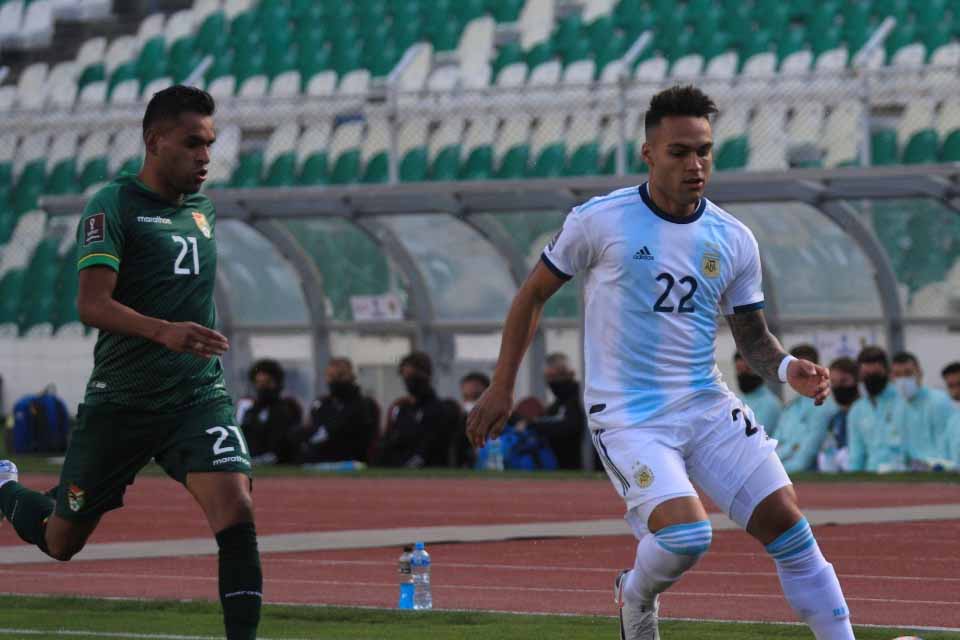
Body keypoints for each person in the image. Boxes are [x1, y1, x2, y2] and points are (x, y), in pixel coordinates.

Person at [466, 85, 853, 639]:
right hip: (630, 415)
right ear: (649, 154)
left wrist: (789, 367)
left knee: (791, 530)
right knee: (686, 537)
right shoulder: (600, 221)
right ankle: (635, 594)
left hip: (706, 404)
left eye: (705, 151)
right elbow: (532, 295)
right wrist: (502, 385)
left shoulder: (734, 238)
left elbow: (752, 337)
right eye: (680, 152)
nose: (696, 164)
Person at [0, 86, 261, 640]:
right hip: (122, 401)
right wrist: (163, 330)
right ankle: (5, 487)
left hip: (196, 396)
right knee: (61, 541)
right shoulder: (112, 205)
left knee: (236, 509)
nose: (205, 157)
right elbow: (91, 304)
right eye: (192, 143)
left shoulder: (203, 210)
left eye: (210, 144)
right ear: (155, 141)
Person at [375, 351, 461, 468]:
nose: (409, 381)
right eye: (406, 377)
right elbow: (389, 442)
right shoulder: (401, 409)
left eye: (414, 376)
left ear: (427, 375)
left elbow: (432, 446)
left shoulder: (441, 409)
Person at [303, 357, 380, 464]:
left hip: (353, 461)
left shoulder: (365, 405)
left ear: (351, 376)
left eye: (340, 375)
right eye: (331, 376)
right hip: (319, 461)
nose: (335, 380)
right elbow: (311, 431)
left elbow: (359, 437)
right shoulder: (320, 404)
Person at [774, 345, 836, 473]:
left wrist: (775, 472)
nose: (800, 375)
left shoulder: (823, 406)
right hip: (782, 472)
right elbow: (774, 446)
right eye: (797, 370)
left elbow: (805, 459)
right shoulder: (790, 408)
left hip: (809, 477)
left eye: (805, 369)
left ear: (816, 369)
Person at [519, 353, 587, 470]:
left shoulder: (580, 397)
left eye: (559, 375)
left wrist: (533, 424)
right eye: (549, 377)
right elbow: (547, 418)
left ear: (571, 373)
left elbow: (570, 426)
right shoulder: (558, 402)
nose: (553, 381)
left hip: (580, 466)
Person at [891, 351, 953, 469]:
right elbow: (898, 447)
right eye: (898, 375)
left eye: (908, 373)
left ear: (920, 373)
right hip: (911, 471)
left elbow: (946, 448)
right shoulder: (897, 406)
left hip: (939, 470)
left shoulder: (939, 401)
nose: (903, 380)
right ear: (892, 378)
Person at [847, 346, 905, 473]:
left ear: (887, 372)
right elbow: (856, 453)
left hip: (902, 473)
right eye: (867, 375)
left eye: (876, 374)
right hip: (871, 474)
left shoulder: (903, 401)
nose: (871, 379)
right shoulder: (857, 410)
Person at [239, 358, 303, 465]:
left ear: (277, 383)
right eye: (259, 383)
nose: (262, 387)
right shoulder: (250, 411)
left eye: (267, 383)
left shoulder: (288, 408)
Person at [818, 357, 859, 472]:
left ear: (857, 381)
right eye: (834, 382)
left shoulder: (864, 414)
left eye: (844, 381)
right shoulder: (835, 418)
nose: (839, 387)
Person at [733, 351, 782, 435]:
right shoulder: (737, 400)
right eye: (739, 370)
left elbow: (754, 436)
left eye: (747, 369)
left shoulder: (770, 404)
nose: (743, 374)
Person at [452, 372, 491, 468]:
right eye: (466, 397)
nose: (471, 403)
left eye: (476, 396)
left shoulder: (503, 420)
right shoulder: (456, 420)